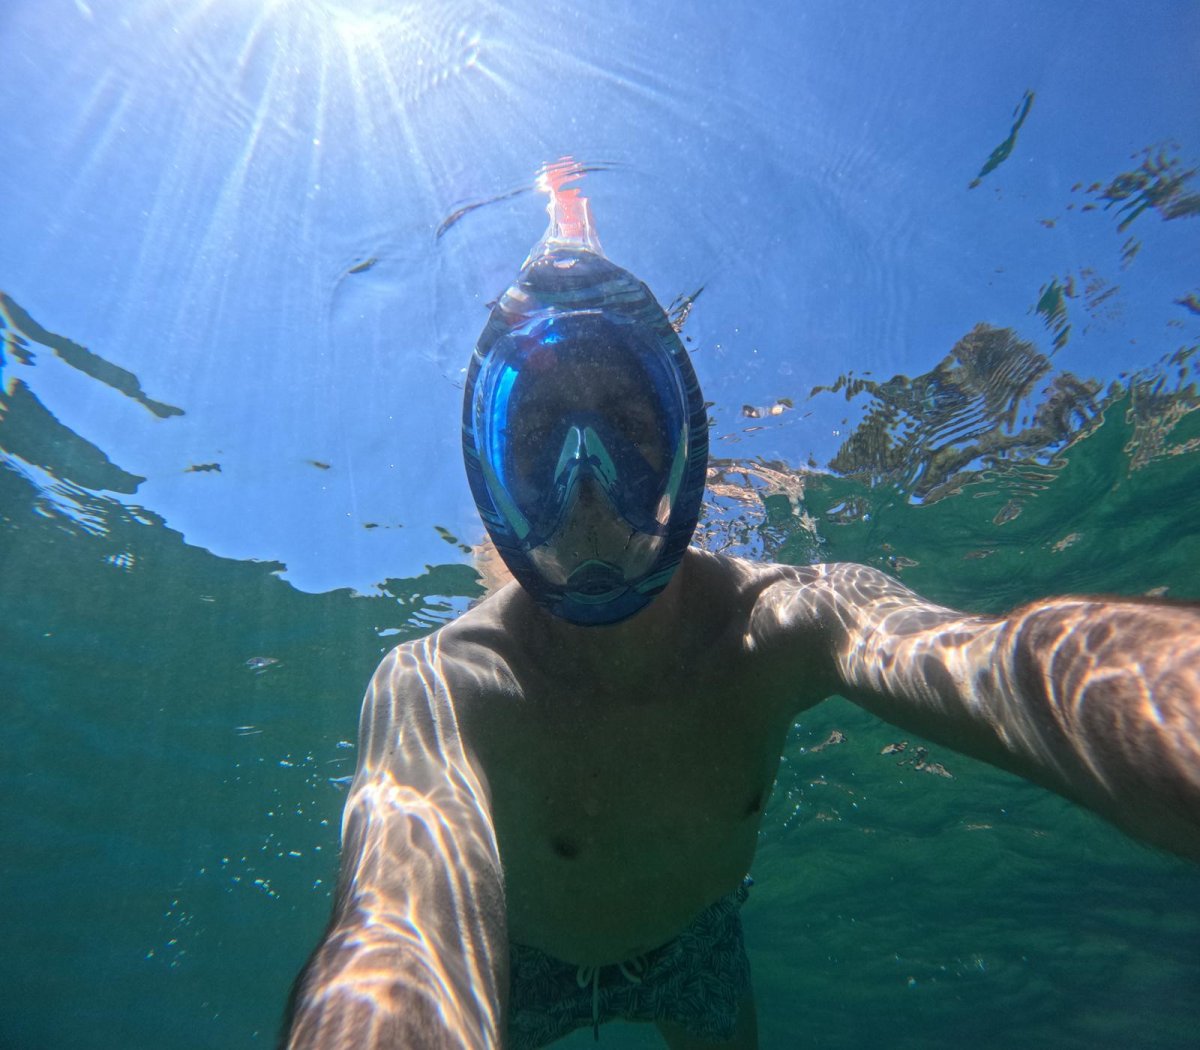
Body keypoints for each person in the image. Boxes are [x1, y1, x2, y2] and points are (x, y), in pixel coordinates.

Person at [281, 168, 1200, 1050]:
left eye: (630, 436)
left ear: (686, 456)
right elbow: (396, 933)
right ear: (494, 481)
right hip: (527, 967)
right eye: (537, 444)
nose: (589, 492)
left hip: (697, 949)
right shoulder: (440, 688)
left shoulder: (789, 620)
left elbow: (1005, 665)